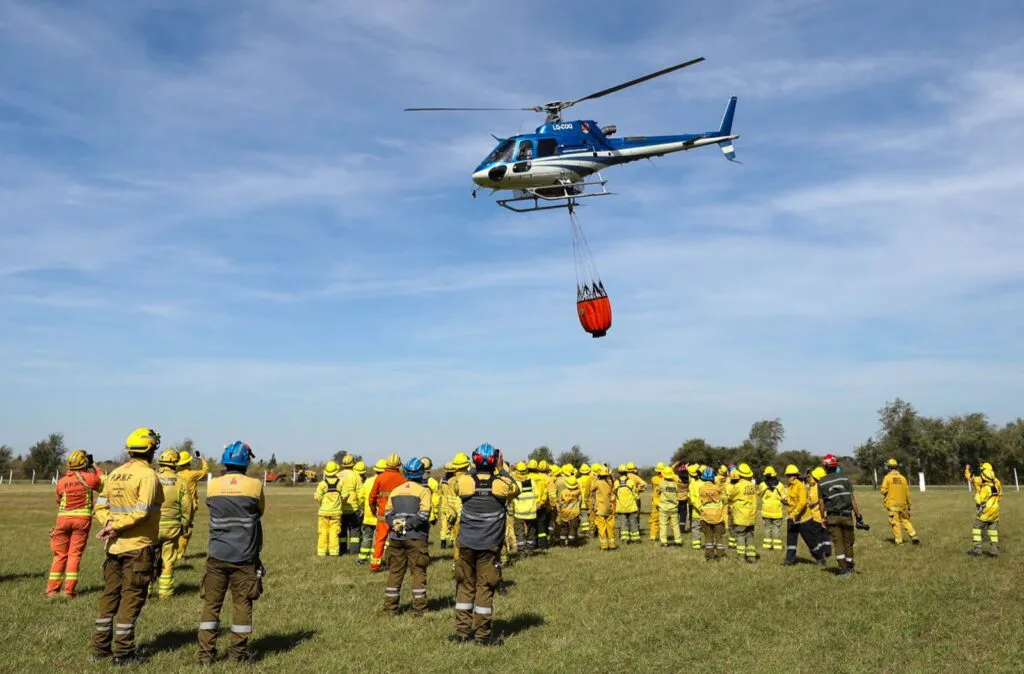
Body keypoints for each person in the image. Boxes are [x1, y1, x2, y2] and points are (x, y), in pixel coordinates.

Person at [91, 427, 164, 665]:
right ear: (151, 450)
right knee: (131, 599)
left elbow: (100, 507)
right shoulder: (149, 476)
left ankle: (99, 649)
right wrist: (117, 527)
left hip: (113, 548)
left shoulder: (114, 474)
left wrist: (109, 524)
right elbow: (142, 512)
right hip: (138, 547)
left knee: (109, 597)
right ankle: (123, 654)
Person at [198, 441, 265, 665]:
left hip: (216, 554)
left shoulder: (213, 485)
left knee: (211, 605)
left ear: (225, 461)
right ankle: (238, 656)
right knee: (242, 604)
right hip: (245, 556)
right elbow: (260, 511)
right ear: (246, 462)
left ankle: (205, 656)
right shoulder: (254, 485)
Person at [449, 443, 519, 646]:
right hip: (489, 547)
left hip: (466, 544)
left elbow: (456, 487)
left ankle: (462, 633)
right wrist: (502, 468)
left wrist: (474, 470)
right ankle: (482, 636)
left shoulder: (464, 482)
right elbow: (516, 488)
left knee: (465, 587)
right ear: (495, 461)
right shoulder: (502, 484)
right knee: (485, 588)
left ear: (474, 460)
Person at [47, 449, 103, 598]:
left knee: (59, 555)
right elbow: (104, 483)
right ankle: (68, 591)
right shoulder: (90, 478)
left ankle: (52, 591)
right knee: (74, 555)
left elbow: (59, 500)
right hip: (82, 521)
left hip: (63, 520)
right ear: (85, 463)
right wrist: (96, 467)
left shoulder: (62, 481)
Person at [383, 458, 432, 616]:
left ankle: (390, 608)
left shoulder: (396, 491)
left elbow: (387, 514)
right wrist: (408, 525)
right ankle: (419, 609)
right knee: (418, 572)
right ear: (421, 473)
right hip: (416, 538)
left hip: (396, 538)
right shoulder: (423, 491)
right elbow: (424, 514)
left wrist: (396, 524)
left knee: (395, 572)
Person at [817, 454, 863, 577]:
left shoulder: (821, 483)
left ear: (825, 468)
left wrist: (823, 517)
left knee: (838, 543)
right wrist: (857, 514)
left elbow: (821, 503)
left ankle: (843, 570)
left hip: (832, 517)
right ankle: (850, 566)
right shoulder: (845, 479)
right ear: (835, 466)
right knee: (849, 542)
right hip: (847, 515)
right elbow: (852, 499)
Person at [154, 449, 191, 598]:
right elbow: (187, 506)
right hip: (172, 526)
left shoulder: (153, 478)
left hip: (152, 525)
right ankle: (166, 593)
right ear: (176, 464)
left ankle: (146, 589)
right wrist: (185, 523)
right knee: (168, 560)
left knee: (149, 558)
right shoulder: (180, 481)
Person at [368, 454, 406, 572]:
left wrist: (373, 509)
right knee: (398, 540)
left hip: (383, 515)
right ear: (399, 464)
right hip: (397, 515)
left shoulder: (380, 478)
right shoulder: (403, 479)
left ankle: (375, 565)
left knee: (380, 539)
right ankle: (397, 563)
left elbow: (372, 497)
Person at [783, 464, 823, 567]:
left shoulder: (801, 487)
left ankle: (819, 557)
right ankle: (789, 560)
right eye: (787, 475)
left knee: (810, 540)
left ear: (795, 476)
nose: (787, 477)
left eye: (789, 475)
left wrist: (794, 514)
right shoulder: (790, 486)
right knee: (791, 541)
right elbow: (792, 501)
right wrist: (785, 502)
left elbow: (802, 503)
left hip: (803, 519)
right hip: (792, 517)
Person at [174, 450, 209, 563]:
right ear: (188, 462)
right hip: (189, 506)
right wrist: (201, 459)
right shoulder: (192, 474)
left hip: (176, 506)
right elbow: (205, 471)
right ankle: (179, 555)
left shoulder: (176, 475)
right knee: (186, 530)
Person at [881, 459, 919, 545]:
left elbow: (883, 491)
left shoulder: (887, 478)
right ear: (896, 467)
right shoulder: (903, 478)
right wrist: (909, 504)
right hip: (903, 505)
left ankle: (899, 541)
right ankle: (914, 536)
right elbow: (907, 492)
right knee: (906, 521)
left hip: (892, 505)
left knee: (895, 523)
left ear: (888, 468)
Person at [966, 464, 1001, 557]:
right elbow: (1000, 495)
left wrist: (977, 492)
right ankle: (994, 551)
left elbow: (979, 500)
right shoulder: (997, 483)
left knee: (976, 529)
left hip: (985, 513)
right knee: (993, 532)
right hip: (995, 512)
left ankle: (977, 550)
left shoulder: (985, 487)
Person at [727, 463, 758, 563]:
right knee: (750, 536)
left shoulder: (738, 486)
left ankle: (741, 557)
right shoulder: (752, 486)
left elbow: (731, 497)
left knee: (740, 535)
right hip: (751, 515)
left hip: (741, 515)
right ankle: (752, 557)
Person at [358, 459, 386, 563]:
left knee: (367, 538)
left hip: (368, 516)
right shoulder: (385, 482)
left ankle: (362, 558)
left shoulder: (368, 481)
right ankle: (374, 559)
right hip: (380, 516)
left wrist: (362, 507)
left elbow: (360, 496)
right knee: (378, 540)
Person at [314, 461, 344, 557]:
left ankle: (321, 552)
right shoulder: (340, 483)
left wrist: (323, 500)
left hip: (323, 513)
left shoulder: (322, 484)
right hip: (336, 513)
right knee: (334, 533)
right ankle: (334, 552)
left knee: (322, 532)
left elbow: (317, 497)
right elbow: (346, 495)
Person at [336, 454, 364, 557]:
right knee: (355, 532)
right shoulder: (356, 476)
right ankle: (354, 551)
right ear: (353, 464)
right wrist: (361, 506)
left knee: (342, 531)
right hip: (353, 508)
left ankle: (342, 550)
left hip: (340, 508)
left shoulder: (338, 475)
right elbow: (361, 493)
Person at [698, 468, 726, 560]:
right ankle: (721, 555)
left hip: (706, 516)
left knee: (708, 538)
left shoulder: (701, 489)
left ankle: (709, 556)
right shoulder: (718, 488)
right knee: (719, 538)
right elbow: (724, 499)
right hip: (718, 516)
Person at [806, 467, 833, 561]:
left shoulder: (815, 488)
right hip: (826, 515)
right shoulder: (826, 486)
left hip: (816, 516)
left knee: (817, 536)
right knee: (826, 534)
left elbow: (812, 502)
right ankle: (828, 550)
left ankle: (820, 553)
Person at [512, 461, 539, 554]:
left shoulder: (515, 483)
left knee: (520, 532)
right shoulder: (532, 482)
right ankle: (530, 550)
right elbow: (536, 495)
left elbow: (511, 496)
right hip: (531, 512)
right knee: (531, 532)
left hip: (519, 513)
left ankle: (521, 552)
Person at [590, 464, 617, 551]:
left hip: (600, 509)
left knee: (602, 528)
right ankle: (612, 545)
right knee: (610, 527)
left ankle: (604, 546)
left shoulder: (597, 483)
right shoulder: (609, 483)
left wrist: (595, 477)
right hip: (609, 508)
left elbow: (591, 488)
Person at [757, 467, 785, 551]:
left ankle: (767, 546)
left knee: (767, 528)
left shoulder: (762, 485)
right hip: (777, 510)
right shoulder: (780, 485)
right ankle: (777, 547)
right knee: (776, 529)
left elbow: (759, 495)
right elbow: (783, 497)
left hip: (766, 510)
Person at [655, 467, 683, 546]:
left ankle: (664, 541)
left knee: (663, 525)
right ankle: (678, 541)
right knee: (675, 525)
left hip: (663, 508)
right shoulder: (675, 484)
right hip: (674, 507)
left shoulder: (661, 483)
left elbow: (657, 491)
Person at [615, 467, 640, 544]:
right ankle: (635, 539)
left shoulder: (616, 482)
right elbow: (636, 495)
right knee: (633, 523)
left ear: (619, 473)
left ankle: (625, 540)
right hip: (631, 507)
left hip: (621, 508)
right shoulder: (630, 482)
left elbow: (615, 493)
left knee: (623, 524)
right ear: (626, 472)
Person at [556, 475, 582, 546]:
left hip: (564, 513)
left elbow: (559, 502)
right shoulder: (578, 492)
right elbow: (580, 501)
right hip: (575, 513)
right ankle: (572, 543)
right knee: (573, 528)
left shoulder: (563, 492)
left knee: (564, 528)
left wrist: (559, 511)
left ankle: (562, 543)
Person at [531, 460, 551, 549]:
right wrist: (542, 503)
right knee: (542, 527)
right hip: (541, 506)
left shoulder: (526, 478)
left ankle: (533, 545)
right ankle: (543, 545)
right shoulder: (544, 478)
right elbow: (546, 492)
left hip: (529, 506)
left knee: (532, 526)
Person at [649, 462, 665, 542]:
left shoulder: (653, 479)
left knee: (654, 520)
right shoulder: (666, 479)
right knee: (663, 521)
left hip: (655, 502)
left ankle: (653, 536)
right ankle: (663, 537)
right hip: (664, 503)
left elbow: (653, 487)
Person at [688, 465, 703, 549]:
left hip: (696, 511)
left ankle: (696, 545)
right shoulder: (705, 483)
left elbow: (692, 499)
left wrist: (699, 507)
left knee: (696, 528)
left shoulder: (692, 484)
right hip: (707, 510)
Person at [577, 463, 593, 539]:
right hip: (590, 501)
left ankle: (585, 531)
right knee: (591, 517)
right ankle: (591, 530)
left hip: (581, 501)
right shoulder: (591, 479)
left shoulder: (578, 480)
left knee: (583, 517)